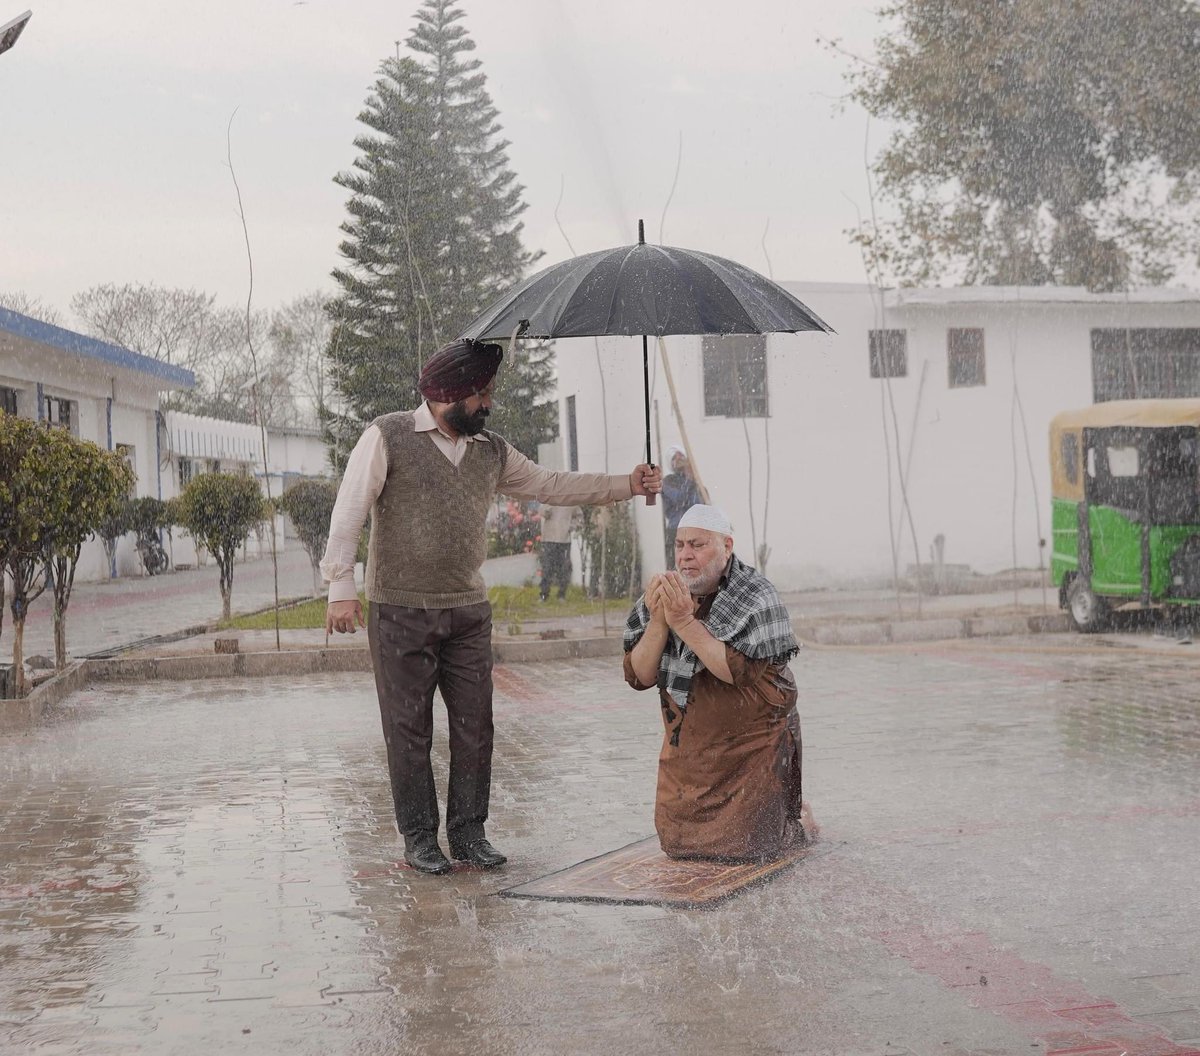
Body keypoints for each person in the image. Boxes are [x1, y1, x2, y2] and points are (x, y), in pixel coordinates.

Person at [322, 338, 662, 876]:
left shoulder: (491, 450)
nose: (488, 404)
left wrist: (625, 483)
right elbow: (349, 509)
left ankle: (469, 833)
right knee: (409, 728)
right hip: (400, 610)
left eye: (489, 393)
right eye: (480, 394)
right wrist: (340, 587)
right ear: (449, 394)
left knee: (476, 725)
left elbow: (551, 485)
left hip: (467, 610)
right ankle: (419, 838)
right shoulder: (388, 435)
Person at [622, 504, 815, 862]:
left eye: (697, 545)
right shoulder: (670, 592)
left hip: (750, 748)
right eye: (679, 545)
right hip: (693, 750)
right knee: (678, 844)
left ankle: (794, 818)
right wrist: (661, 624)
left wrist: (684, 622)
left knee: (746, 846)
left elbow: (735, 672)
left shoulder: (756, 595)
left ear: (726, 547)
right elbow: (640, 675)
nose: (685, 556)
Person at [660, 446, 704, 569]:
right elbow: (680, 499)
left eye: (681, 456)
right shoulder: (668, 482)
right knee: (676, 569)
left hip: (694, 529)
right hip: (676, 530)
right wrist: (689, 480)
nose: (679, 459)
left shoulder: (693, 480)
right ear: (671, 462)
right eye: (675, 457)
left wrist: (695, 484)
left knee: (694, 568)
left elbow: (698, 504)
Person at [537, 503, 579, 601]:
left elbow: (579, 517)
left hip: (564, 540)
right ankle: (544, 594)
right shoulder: (548, 499)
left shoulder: (570, 501)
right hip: (549, 539)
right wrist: (549, 504)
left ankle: (561, 594)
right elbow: (542, 513)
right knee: (547, 568)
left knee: (564, 568)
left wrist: (570, 526)